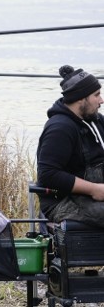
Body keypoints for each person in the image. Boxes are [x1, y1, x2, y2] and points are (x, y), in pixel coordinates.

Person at [36, 65, 104, 227]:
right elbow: (48, 174)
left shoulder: (96, 121)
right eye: (96, 95)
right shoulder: (60, 128)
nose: (101, 100)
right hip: (62, 202)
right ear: (81, 98)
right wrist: (94, 189)